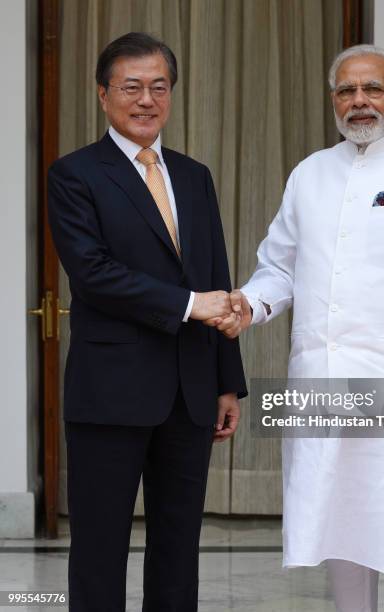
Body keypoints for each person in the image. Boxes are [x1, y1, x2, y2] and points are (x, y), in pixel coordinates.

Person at [215, 44, 384, 611]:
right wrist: (251, 304)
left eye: (373, 89)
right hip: (322, 383)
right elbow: (279, 268)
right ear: (333, 100)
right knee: (336, 526)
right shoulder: (309, 173)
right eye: (347, 91)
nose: (359, 102)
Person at [48, 32, 246, 612]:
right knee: (99, 547)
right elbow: (93, 274)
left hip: (190, 392)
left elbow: (217, 274)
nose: (146, 100)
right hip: (110, 393)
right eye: (131, 87)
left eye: (159, 87)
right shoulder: (75, 174)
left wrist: (226, 380)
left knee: (179, 546)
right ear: (103, 94)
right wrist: (188, 305)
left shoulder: (193, 175)